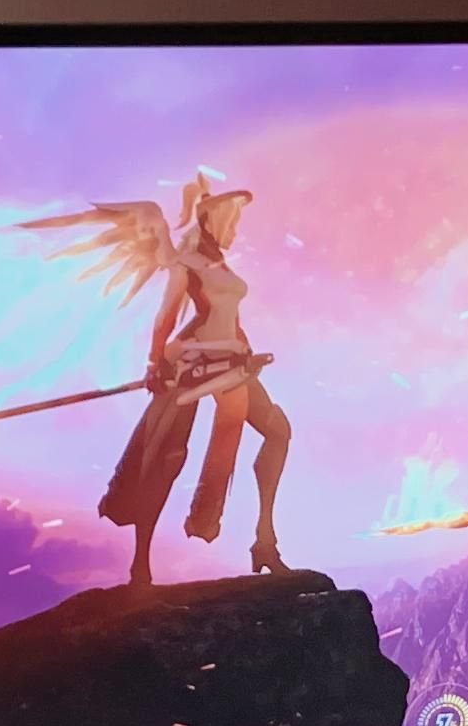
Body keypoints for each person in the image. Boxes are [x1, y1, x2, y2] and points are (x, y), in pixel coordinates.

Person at [22, 171, 295, 584]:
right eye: (232, 219)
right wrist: (155, 364)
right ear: (212, 218)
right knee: (165, 459)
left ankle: (264, 542)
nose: (236, 228)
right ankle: (140, 566)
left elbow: (229, 318)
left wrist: (245, 350)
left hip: (232, 365)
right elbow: (166, 316)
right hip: (193, 366)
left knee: (278, 431)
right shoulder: (186, 264)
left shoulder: (220, 266)